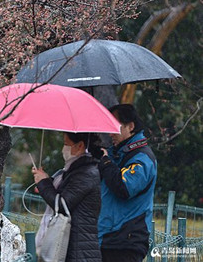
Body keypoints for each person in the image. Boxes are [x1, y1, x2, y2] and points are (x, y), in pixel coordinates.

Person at [97, 104, 157, 262]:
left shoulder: (142, 158)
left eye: (115, 127)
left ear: (131, 126)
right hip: (109, 238)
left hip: (127, 241)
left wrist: (106, 163)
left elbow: (124, 187)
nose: (111, 133)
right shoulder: (118, 154)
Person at [32, 132, 102, 262]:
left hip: (79, 252)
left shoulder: (86, 173)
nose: (63, 149)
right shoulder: (73, 171)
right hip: (72, 248)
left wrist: (44, 183)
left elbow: (62, 204)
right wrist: (46, 180)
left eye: (66, 144)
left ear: (80, 145)